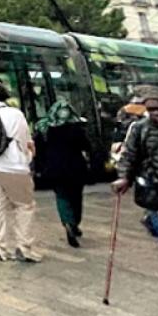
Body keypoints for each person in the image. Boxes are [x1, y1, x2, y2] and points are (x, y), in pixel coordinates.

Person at [0, 81, 41, 262]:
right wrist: (28, 159)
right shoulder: (14, 114)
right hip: (12, 166)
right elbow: (26, 142)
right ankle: (24, 247)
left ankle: (0, 249)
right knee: (24, 205)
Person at [36, 100, 92, 248]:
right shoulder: (76, 127)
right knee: (76, 197)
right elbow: (87, 146)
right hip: (76, 168)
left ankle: (68, 222)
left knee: (62, 196)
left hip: (54, 169)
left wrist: (40, 167)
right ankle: (75, 223)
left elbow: (39, 151)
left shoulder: (44, 128)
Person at [113, 89, 158, 242]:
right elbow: (129, 156)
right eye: (152, 109)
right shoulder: (139, 128)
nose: (156, 113)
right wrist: (124, 177)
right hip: (154, 186)